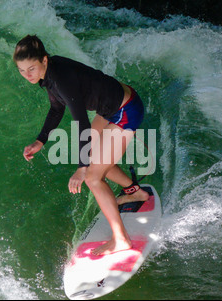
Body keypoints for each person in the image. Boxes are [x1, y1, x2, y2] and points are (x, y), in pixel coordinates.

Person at [13, 35, 149, 255]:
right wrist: (41, 140)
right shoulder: (50, 74)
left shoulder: (60, 78)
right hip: (111, 107)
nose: (27, 76)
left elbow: (82, 122)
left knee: (92, 176)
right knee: (94, 159)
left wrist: (81, 167)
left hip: (125, 111)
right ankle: (135, 192)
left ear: (44, 61)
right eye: (22, 70)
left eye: (31, 69)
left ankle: (121, 240)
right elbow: (57, 108)